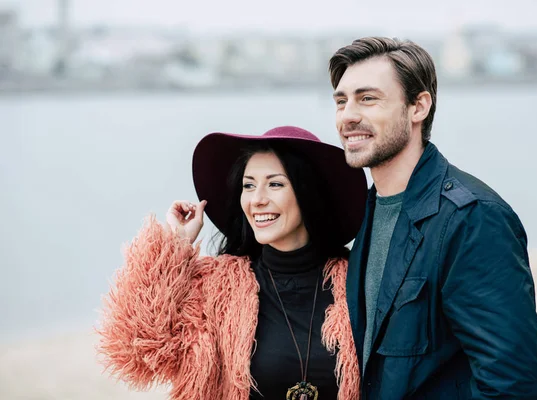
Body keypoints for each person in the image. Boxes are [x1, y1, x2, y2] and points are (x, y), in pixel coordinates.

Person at [328, 37, 537, 399]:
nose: (348, 115)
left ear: (418, 106)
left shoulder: (472, 218)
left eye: (367, 98)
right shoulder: (366, 212)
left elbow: (514, 384)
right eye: (341, 101)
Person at [96, 126, 367, 400]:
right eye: (248, 185)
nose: (257, 200)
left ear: (307, 192)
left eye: (275, 184)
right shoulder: (215, 287)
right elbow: (136, 349)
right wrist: (175, 247)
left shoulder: (358, 282)